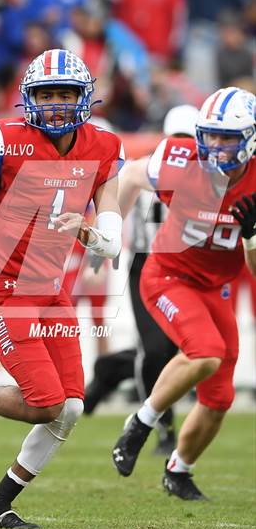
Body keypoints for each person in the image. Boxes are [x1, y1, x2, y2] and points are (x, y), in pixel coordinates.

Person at [0, 48, 124, 529]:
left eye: (65, 94)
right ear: (28, 99)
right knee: (45, 404)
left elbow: (113, 239)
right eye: (46, 94)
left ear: (84, 98)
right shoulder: (4, 139)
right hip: (3, 289)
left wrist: (89, 232)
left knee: (72, 407)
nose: (56, 104)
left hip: (51, 290)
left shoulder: (103, 146)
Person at [111, 86, 255, 500]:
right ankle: (140, 424)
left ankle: (179, 470)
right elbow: (130, 174)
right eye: (210, 134)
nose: (216, 145)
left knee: (220, 396)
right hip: (168, 275)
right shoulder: (181, 162)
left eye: (227, 136)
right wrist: (109, 229)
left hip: (216, 287)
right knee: (204, 352)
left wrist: (251, 237)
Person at [84, 105, 199, 459]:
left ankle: (111, 369)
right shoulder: (145, 169)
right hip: (147, 266)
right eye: (176, 140)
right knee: (158, 349)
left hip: (189, 267)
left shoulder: (210, 174)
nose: (182, 147)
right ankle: (163, 427)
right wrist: (100, 253)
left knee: (183, 350)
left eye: (188, 141)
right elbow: (114, 211)